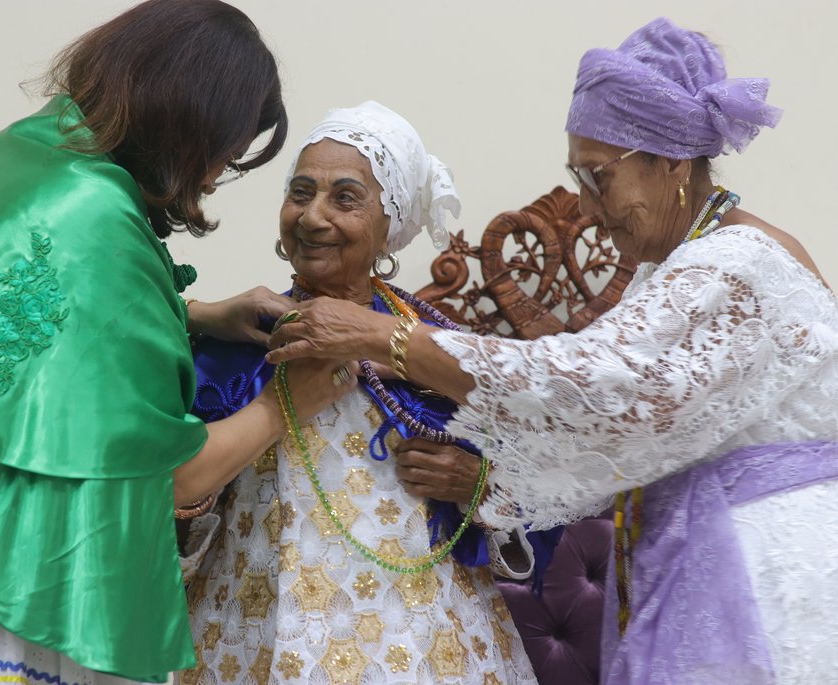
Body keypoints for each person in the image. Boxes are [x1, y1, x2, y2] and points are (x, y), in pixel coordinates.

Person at [266, 18, 838, 685]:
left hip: (769, 586)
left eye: (599, 176)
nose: (589, 207)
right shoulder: (690, 264)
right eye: (578, 176)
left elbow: (588, 384)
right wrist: (488, 480)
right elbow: (628, 437)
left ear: (672, 163)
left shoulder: (735, 267)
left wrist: (384, 339)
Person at [0, 2, 351, 684]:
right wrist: (285, 403)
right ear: (190, 125)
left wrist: (195, 315)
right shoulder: (100, 221)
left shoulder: (21, 154)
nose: (219, 175)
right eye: (228, 152)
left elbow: (30, 325)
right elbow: (169, 475)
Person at [179, 102, 539, 685]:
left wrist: (477, 486)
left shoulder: (439, 350)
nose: (312, 217)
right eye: (300, 193)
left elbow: (545, 487)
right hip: (253, 638)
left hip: (423, 645)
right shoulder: (235, 344)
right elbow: (164, 511)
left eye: (344, 198)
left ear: (387, 226)